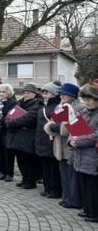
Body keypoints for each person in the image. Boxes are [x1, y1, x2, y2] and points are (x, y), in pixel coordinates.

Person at [44, 83, 84, 209]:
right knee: (64, 174)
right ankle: (66, 197)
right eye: (61, 94)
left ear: (71, 96)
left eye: (64, 94)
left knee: (72, 176)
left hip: (71, 146)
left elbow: (78, 128)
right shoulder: (59, 107)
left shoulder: (80, 107)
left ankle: (74, 200)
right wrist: (54, 126)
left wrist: (60, 126)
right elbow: (52, 123)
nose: (61, 96)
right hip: (60, 144)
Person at [71, 81, 98, 223]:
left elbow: (96, 136)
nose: (87, 102)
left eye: (90, 99)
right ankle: (87, 209)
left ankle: (94, 213)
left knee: (93, 187)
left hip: (93, 155)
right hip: (82, 154)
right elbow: (74, 128)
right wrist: (72, 140)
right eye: (85, 99)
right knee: (85, 186)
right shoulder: (86, 112)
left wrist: (78, 141)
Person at [6, 84, 40, 189]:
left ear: (35, 94)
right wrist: (10, 122)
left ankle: (30, 181)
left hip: (28, 136)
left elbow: (28, 118)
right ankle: (24, 179)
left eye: (29, 92)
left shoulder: (37, 104)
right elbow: (9, 115)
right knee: (20, 159)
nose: (26, 95)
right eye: (24, 92)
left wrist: (12, 123)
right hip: (17, 136)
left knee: (28, 160)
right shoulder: (19, 103)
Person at [35, 82, 62, 198]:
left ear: (54, 94)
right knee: (45, 167)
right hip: (41, 140)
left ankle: (55, 190)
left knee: (53, 168)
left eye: (47, 93)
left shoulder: (57, 107)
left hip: (51, 141)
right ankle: (47, 188)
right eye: (43, 92)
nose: (44, 95)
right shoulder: (43, 106)